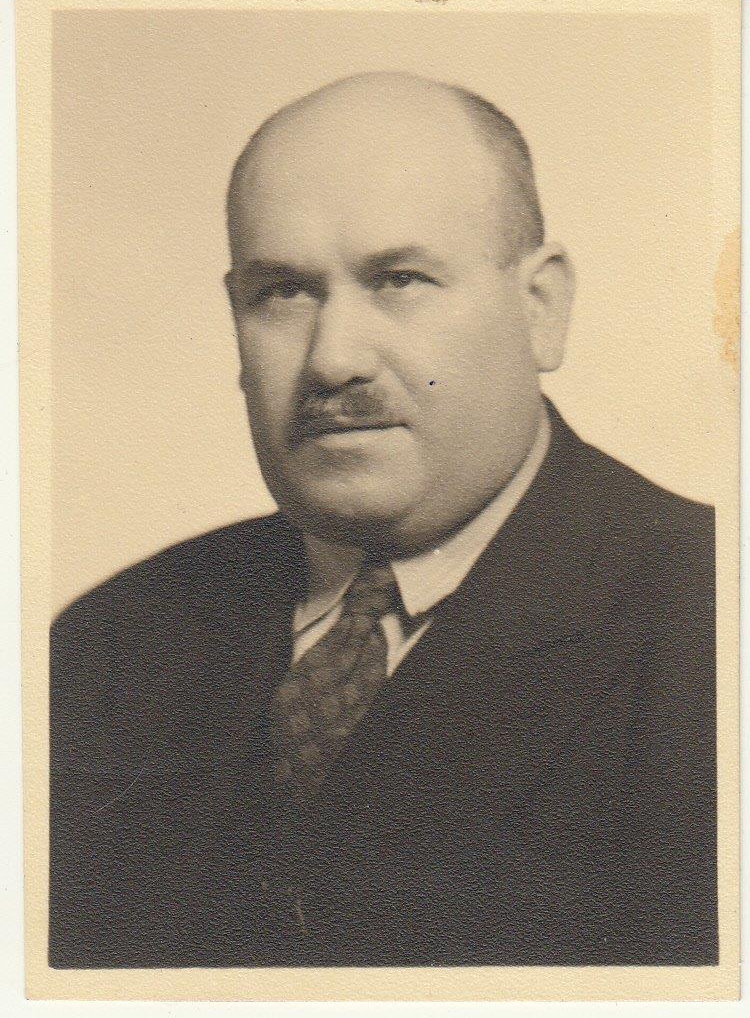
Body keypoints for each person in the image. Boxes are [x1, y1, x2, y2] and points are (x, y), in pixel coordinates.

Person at [49, 72, 717, 969]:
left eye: (400, 280)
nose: (333, 360)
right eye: (283, 293)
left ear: (541, 309)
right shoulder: (105, 646)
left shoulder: (715, 627)